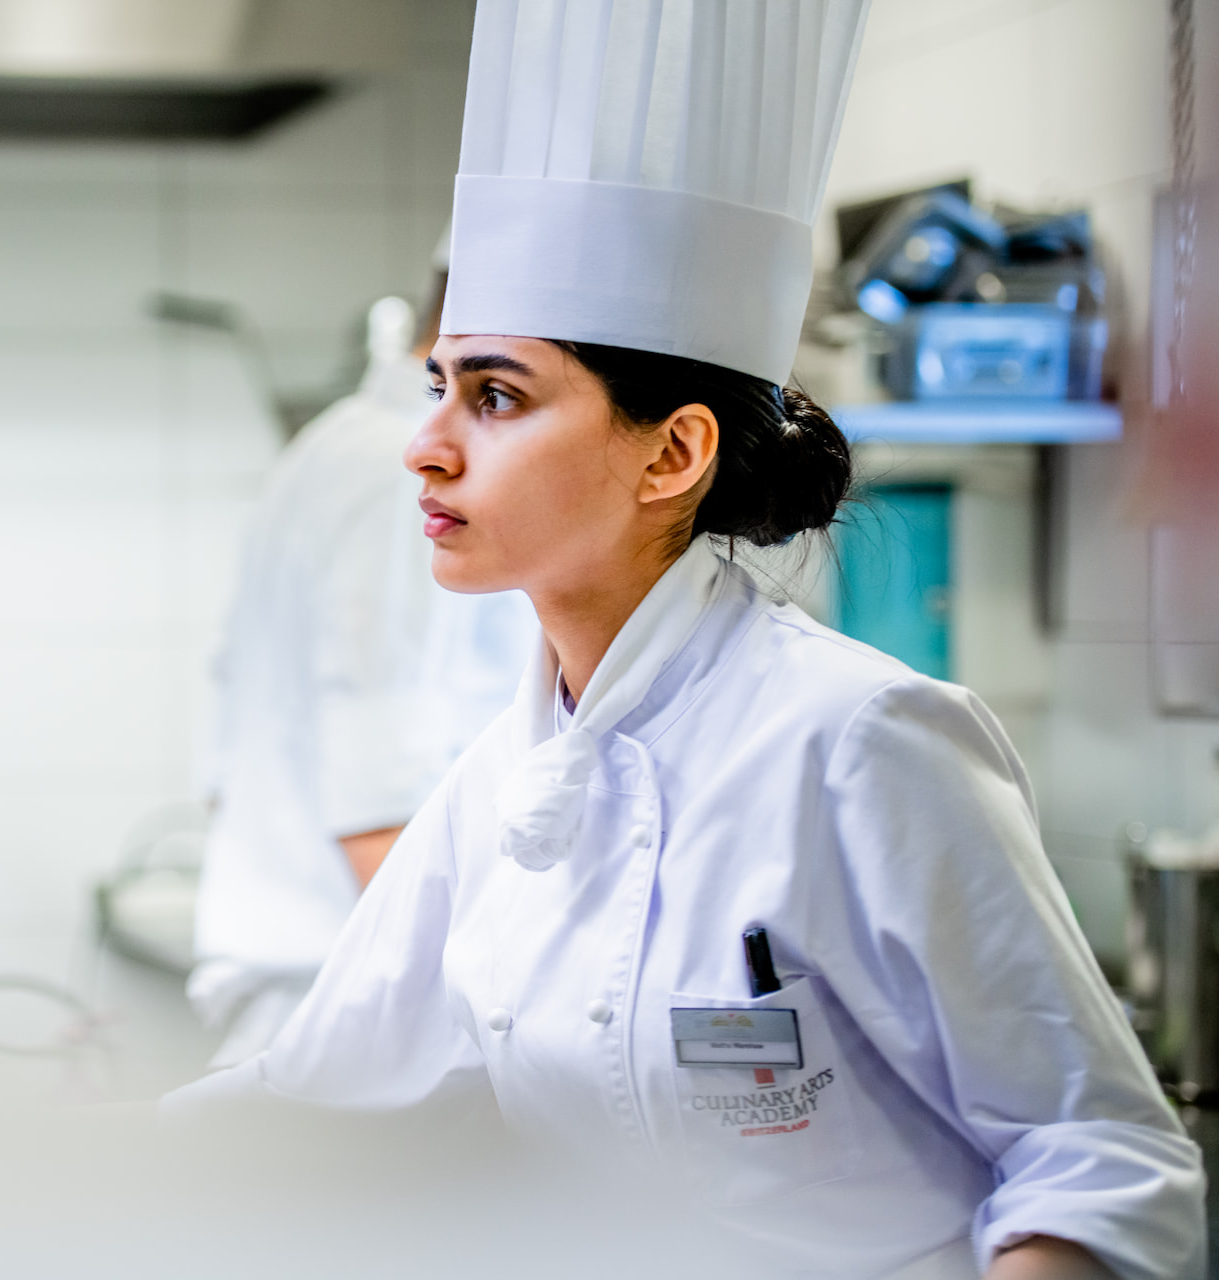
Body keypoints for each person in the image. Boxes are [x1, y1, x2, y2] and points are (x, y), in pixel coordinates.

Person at [167, 3, 1206, 1278]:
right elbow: (313, 1085)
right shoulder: (505, 780)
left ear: (675, 450)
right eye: (439, 386)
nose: (425, 443)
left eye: (496, 395)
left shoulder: (856, 738)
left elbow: (1097, 1155)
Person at [190, 260, 537, 1069]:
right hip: (368, 1002)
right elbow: (375, 788)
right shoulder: (406, 472)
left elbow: (225, 750)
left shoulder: (335, 440)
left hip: (318, 983)